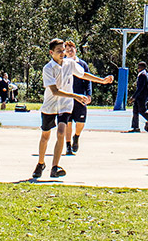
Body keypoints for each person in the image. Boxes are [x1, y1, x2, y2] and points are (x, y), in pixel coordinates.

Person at [36, 39, 86, 180]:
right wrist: (76, 96)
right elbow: (55, 91)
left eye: (63, 50)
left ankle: (55, 167)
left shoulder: (70, 63)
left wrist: (102, 80)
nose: (62, 53)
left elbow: (83, 74)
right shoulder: (48, 68)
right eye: (59, 51)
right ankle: (40, 163)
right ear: (51, 53)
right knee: (45, 136)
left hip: (65, 105)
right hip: (50, 105)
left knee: (61, 133)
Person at [62, 40, 114, 155]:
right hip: (67, 98)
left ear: (75, 50)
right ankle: (68, 145)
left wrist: (89, 94)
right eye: (67, 50)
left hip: (80, 96)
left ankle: (76, 136)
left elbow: (87, 78)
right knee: (68, 123)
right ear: (64, 52)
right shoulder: (62, 64)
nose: (70, 51)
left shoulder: (82, 64)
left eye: (72, 49)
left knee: (80, 122)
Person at [130, 64, 148, 133]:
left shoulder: (143, 75)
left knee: (142, 111)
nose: (138, 68)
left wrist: (134, 96)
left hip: (141, 96)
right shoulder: (144, 74)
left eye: (139, 67)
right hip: (140, 96)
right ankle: (135, 127)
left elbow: (140, 87)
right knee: (135, 111)